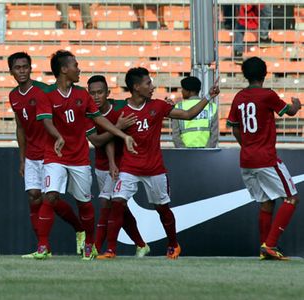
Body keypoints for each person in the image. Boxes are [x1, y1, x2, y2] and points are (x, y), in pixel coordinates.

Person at [102, 67, 219, 259]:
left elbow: (188, 115)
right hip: (129, 167)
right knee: (117, 203)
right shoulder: (121, 110)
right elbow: (111, 138)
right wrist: (113, 163)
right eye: (148, 83)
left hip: (154, 168)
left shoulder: (158, 106)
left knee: (162, 208)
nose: (152, 86)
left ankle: (173, 244)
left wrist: (208, 96)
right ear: (136, 87)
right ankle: (111, 250)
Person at [34, 50, 136, 260]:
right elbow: (47, 121)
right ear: (64, 69)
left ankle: (89, 242)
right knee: (50, 195)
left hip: (79, 158)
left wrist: (121, 135)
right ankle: (43, 246)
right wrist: (58, 137)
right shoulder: (47, 95)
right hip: (55, 155)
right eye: (75, 65)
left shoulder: (82, 95)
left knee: (84, 203)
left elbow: (100, 120)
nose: (78, 69)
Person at [8, 52, 87, 258]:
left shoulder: (44, 91)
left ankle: (78, 229)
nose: (22, 71)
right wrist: (22, 159)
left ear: (31, 68)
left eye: (26, 66)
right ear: (11, 72)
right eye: (18, 68)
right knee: (34, 198)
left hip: (50, 152)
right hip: (32, 155)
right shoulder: (13, 96)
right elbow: (20, 128)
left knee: (48, 198)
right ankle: (44, 246)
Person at [227, 57, 301, 260]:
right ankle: (270, 244)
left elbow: (234, 127)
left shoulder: (239, 96)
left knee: (266, 202)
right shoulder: (268, 95)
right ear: (265, 74)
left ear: (245, 75)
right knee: (291, 198)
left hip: (246, 159)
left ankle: (264, 249)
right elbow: (290, 112)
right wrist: (297, 104)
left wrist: (248, 146)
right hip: (266, 158)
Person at [86, 75, 151, 258]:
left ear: (108, 93)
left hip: (124, 165)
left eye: (100, 92)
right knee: (118, 207)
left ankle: (98, 248)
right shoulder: (87, 114)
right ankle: (141, 244)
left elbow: (141, 104)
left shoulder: (120, 108)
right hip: (101, 166)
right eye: (92, 93)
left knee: (107, 203)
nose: (96, 97)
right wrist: (117, 127)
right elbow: (98, 142)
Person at [171, 76, 219, 148]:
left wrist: (183, 151)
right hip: (206, 153)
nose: (181, 91)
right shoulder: (212, 107)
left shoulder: (179, 107)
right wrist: (207, 151)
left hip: (186, 154)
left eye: (183, 89)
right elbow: (214, 134)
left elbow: (176, 135)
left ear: (189, 91)